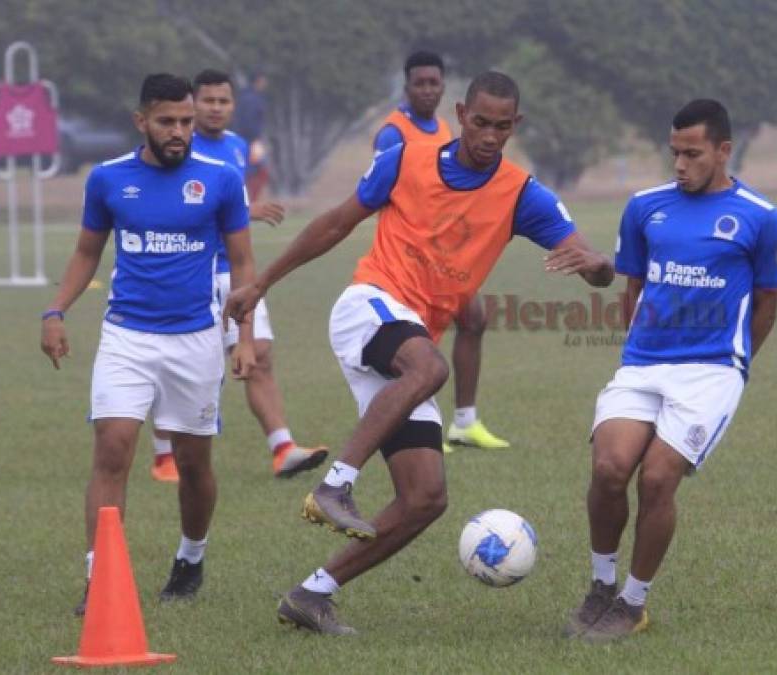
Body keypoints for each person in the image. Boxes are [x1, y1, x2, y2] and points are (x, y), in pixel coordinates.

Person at [228, 71, 614, 634]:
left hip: (409, 341)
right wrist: (261, 284)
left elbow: (593, 264)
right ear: (462, 113)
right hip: (370, 304)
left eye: (501, 127)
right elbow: (335, 223)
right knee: (430, 367)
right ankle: (335, 484)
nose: (488, 135)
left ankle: (312, 595)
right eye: (479, 122)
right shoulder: (405, 159)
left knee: (426, 496)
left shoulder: (522, 195)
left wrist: (599, 267)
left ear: (515, 126)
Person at [564, 99, 777, 643]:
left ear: (723, 150)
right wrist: (639, 347)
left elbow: (766, 306)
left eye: (692, 153)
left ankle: (633, 604)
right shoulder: (644, 208)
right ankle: (601, 587)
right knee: (610, 469)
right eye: (675, 153)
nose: (681, 164)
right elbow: (632, 290)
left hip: (711, 371)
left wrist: (732, 366)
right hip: (643, 363)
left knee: (658, 477)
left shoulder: (761, 218)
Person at [40, 73, 255, 615]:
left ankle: (191, 556)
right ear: (142, 122)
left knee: (193, 462)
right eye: (168, 121)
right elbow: (88, 252)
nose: (180, 131)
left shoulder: (222, 179)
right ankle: (101, 577)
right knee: (112, 448)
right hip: (126, 335)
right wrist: (55, 309)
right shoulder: (109, 179)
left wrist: (244, 337)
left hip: (195, 340)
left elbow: (244, 264)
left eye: (186, 121)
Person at [147, 68, 326, 483]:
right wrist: (250, 211)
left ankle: (283, 449)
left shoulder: (237, 147)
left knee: (259, 355)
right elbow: (178, 211)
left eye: (223, 101)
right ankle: (162, 455)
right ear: (193, 105)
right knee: (174, 366)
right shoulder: (175, 151)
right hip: (188, 273)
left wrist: (242, 212)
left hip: (234, 271)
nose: (215, 108)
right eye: (207, 101)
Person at [373, 50, 509, 453]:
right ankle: (416, 419)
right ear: (407, 85)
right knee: (416, 340)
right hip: (409, 257)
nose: (428, 89)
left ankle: (465, 421)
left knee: (473, 318)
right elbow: (382, 194)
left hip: (450, 252)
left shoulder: (447, 127)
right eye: (420, 83)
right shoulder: (392, 133)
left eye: (435, 83)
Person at [233, 72, 271, 201]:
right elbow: (249, 122)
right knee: (260, 171)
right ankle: (249, 202)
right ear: (259, 80)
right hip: (250, 142)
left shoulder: (244, 96)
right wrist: (256, 140)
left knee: (251, 172)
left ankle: (247, 202)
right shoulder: (252, 99)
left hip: (245, 141)